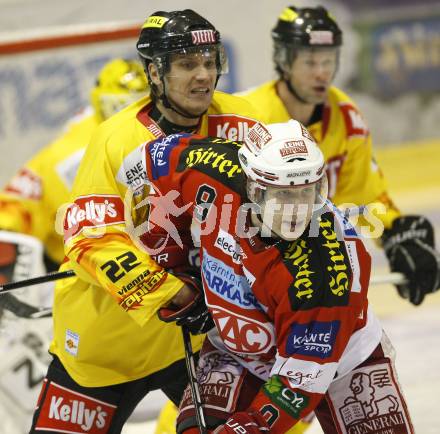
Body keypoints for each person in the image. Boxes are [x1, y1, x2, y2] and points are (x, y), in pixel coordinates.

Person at [28, 9, 263, 434]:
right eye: (188, 64)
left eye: (210, 63)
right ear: (155, 72)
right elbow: (90, 239)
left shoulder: (241, 120)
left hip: (195, 342)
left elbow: (282, 199)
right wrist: (173, 290)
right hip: (105, 345)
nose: (203, 76)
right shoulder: (116, 139)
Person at [142, 120, 415, 433]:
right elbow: (153, 159)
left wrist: (251, 427)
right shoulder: (210, 167)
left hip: (343, 362)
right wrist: (174, 259)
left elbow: (299, 383)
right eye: (284, 195)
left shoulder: (324, 275)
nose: (297, 209)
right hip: (239, 350)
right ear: (252, 186)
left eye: (308, 193)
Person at [239, 5, 440, 307]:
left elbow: (364, 196)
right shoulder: (248, 118)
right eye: (309, 61)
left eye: (328, 60)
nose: (322, 72)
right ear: (284, 60)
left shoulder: (346, 117)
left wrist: (396, 233)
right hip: (257, 270)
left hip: (321, 262)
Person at [0, 58, 149, 434]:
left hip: (153, 297)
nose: (134, 114)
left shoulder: (175, 138)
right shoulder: (64, 157)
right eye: (122, 106)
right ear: (102, 104)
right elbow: (8, 222)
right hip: (78, 300)